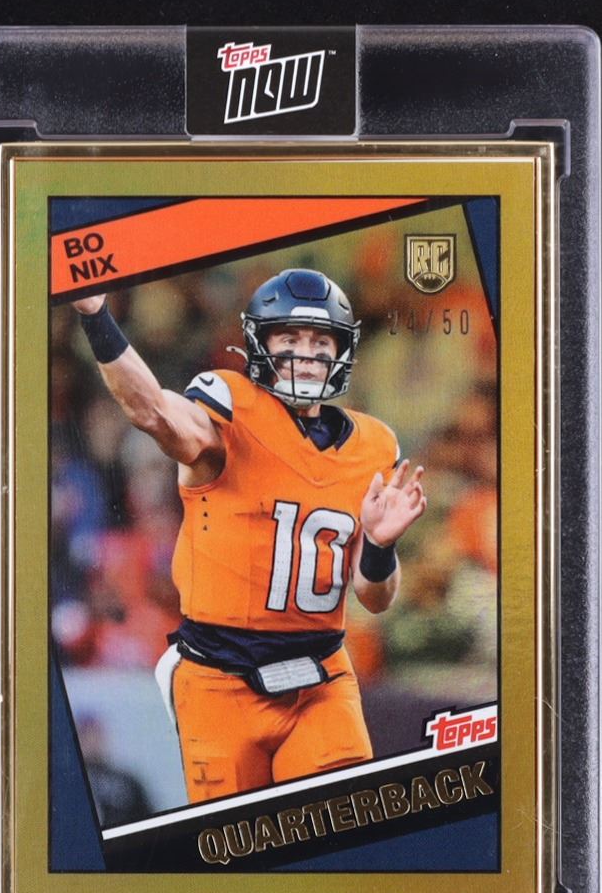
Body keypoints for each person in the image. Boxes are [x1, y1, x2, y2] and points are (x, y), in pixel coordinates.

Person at [72, 269, 426, 803]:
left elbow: (375, 598)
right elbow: (152, 410)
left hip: (321, 678)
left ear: (342, 350)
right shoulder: (230, 408)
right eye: (290, 339)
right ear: (261, 345)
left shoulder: (373, 446)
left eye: (320, 341)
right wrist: (97, 316)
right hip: (221, 680)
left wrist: (379, 544)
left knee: (340, 830)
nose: (307, 355)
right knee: (238, 845)